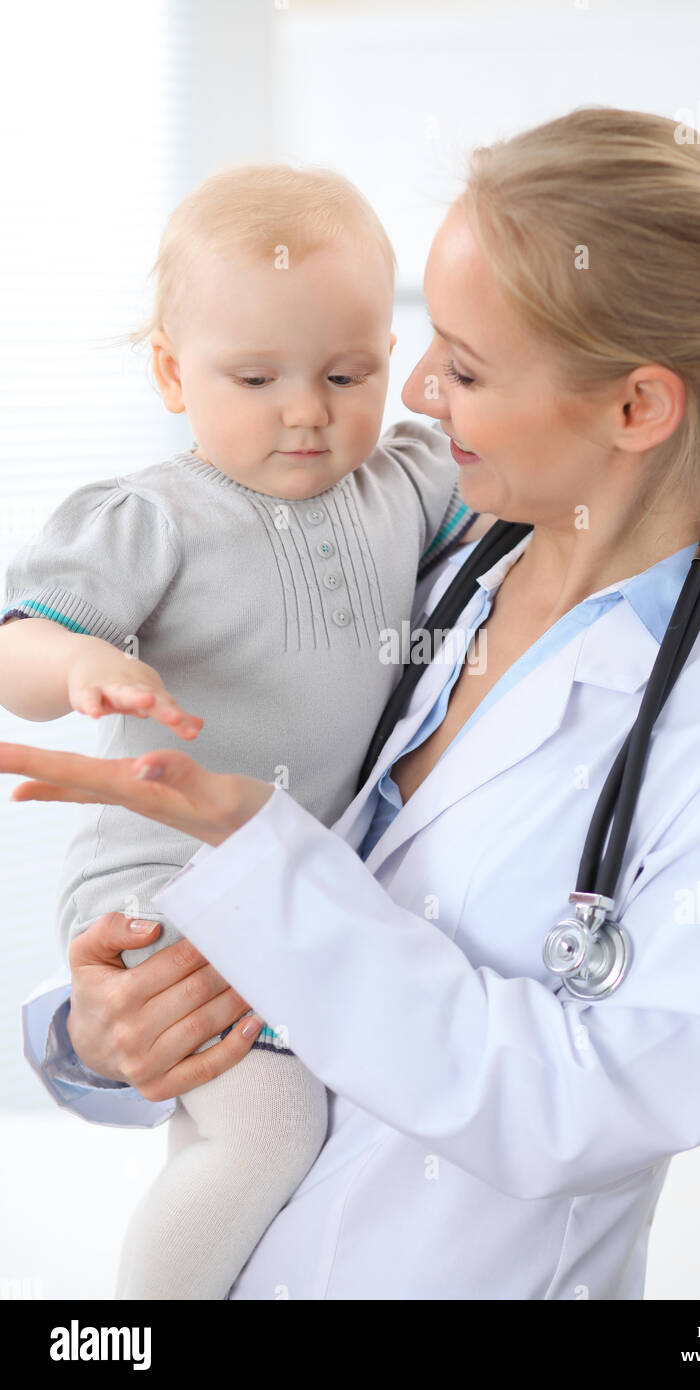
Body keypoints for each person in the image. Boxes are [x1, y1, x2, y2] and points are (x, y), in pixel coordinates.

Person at [9, 107, 700, 1301]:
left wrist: (261, 869)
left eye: (460, 365)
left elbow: (582, 1105)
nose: (407, 390)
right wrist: (109, 1031)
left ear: (634, 410)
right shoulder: (428, 555)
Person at [0, 162, 483, 1300]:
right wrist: (84, 666)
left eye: (345, 372)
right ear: (172, 372)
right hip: (165, 876)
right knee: (265, 1128)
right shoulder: (152, 518)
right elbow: (13, 649)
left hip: (291, 881)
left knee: (238, 1132)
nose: (307, 410)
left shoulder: (402, 483)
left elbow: (553, 477)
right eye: (255, 377)